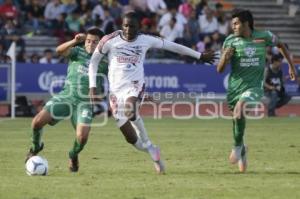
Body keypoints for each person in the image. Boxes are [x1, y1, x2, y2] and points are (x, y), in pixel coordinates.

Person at [88, 12, 215, 174]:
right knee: (131, 139)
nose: (128, 29)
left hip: (135, 85)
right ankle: (152, 150)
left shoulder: (145, 40)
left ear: (139, 26)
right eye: (125, 25)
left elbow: (173, 46)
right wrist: (92, 88)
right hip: (115, 91)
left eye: (132, 26)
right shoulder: (109, 40)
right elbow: (94, 62)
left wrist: (199, 55)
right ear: (122, 26)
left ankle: (147, 141)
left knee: (131, 111)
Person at [217, 9, 296, 173]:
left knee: (240, 109)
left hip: (254, 86)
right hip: (234, 88)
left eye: (236, 23)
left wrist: (291, 66)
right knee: (237, 118)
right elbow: (220, 69)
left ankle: (237, 147)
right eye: (232, 24)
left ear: (246, 23)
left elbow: (280, 44)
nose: (233, 27)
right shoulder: (230, 41)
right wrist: (225, 56)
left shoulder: (264, 36)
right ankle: (242, 149)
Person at [25, 27, 108, 172]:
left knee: (82, 138)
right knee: (37, 122)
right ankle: (36, 147)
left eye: (95, 42)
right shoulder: (77, 51)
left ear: (100, 43)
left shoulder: (105, 60)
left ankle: (73, 155)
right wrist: (74, 41)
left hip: (85, 103)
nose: (90, 44)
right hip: (66, 96)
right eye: (88, 41)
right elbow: (59, 51)